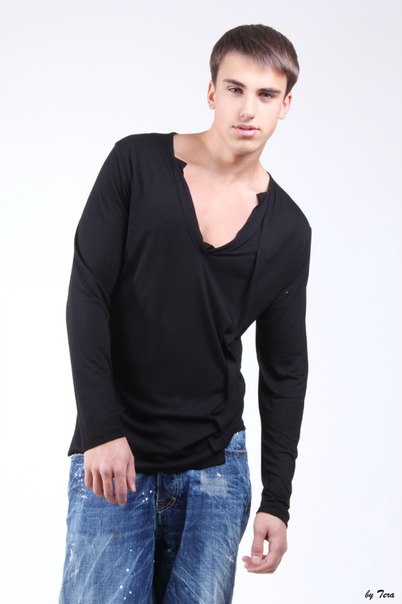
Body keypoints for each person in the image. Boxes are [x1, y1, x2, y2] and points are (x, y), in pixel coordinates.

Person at [59, 23, 311, 604]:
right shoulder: (136, 163)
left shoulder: (288, 230)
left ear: (285, 106)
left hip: (216, 473)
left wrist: (277, 500)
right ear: (212, 91)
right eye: (236, 89)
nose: (248, 109)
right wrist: (100, 429)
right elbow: (88, 294)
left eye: (266, 95)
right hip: (113, 457)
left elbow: (284, 371)